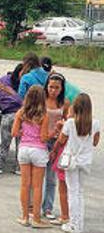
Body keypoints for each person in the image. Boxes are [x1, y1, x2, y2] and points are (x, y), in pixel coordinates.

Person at [56, 94, 99, 233]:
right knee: (79, 192)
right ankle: (79, 223)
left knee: (72, 192)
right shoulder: (95, 123)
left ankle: (74, 224)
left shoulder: (70, 123)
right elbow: (95, 142)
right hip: (85, 161)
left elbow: (61, 140)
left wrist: (65, 122)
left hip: (72, 161)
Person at [12, 85, 52, 229]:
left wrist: (25, 133)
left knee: (24, 185)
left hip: (24, 149)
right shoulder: (44, 116)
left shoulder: (21, 113)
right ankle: (36, 217)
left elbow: (14, 132)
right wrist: (53, 133)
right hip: (38, 151)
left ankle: (24, 217)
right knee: (37, 186)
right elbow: (43, 137)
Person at [41, 73, 69, 220]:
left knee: (51, 178)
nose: (53, 90)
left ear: (61, 89)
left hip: (56, 142)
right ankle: (34, 206)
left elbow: (68, 122)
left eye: (57, 88)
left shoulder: (64, 103)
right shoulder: (42, 100)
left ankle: (48, 207)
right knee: (39, 176)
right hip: (41, 140)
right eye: (51, 87)